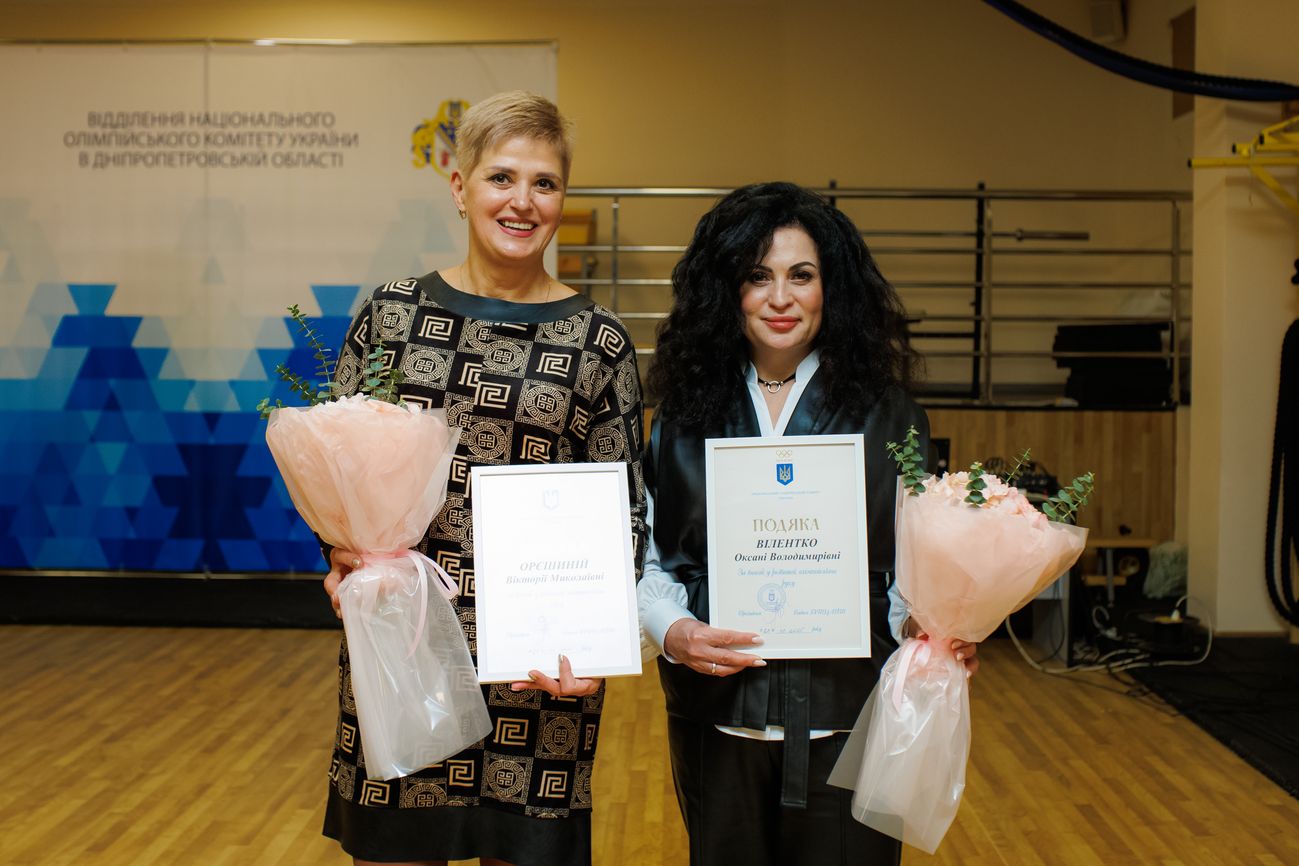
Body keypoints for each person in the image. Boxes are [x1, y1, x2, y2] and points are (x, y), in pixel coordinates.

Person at [320, 91, 646, 866]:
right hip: (405, 649)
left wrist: (598, 637)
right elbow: (335, 472)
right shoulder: (392, 317)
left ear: (562, 198)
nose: (522, 201)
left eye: (544, 183)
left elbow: (624, 509)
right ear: (460, 187)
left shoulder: (599, 342)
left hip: (539, 669)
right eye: (501, 177)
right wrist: (338, 554)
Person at [638, 182, 978, 866]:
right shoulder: (683, 415)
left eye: (801, 275)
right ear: (726, 289)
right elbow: (654, 558)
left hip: (850, 716)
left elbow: (913, 569)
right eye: (756, 276)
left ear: (833, 287)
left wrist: (934, 626)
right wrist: (671, 630)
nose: (780, 298)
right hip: (718, 715)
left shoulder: (889, 415)